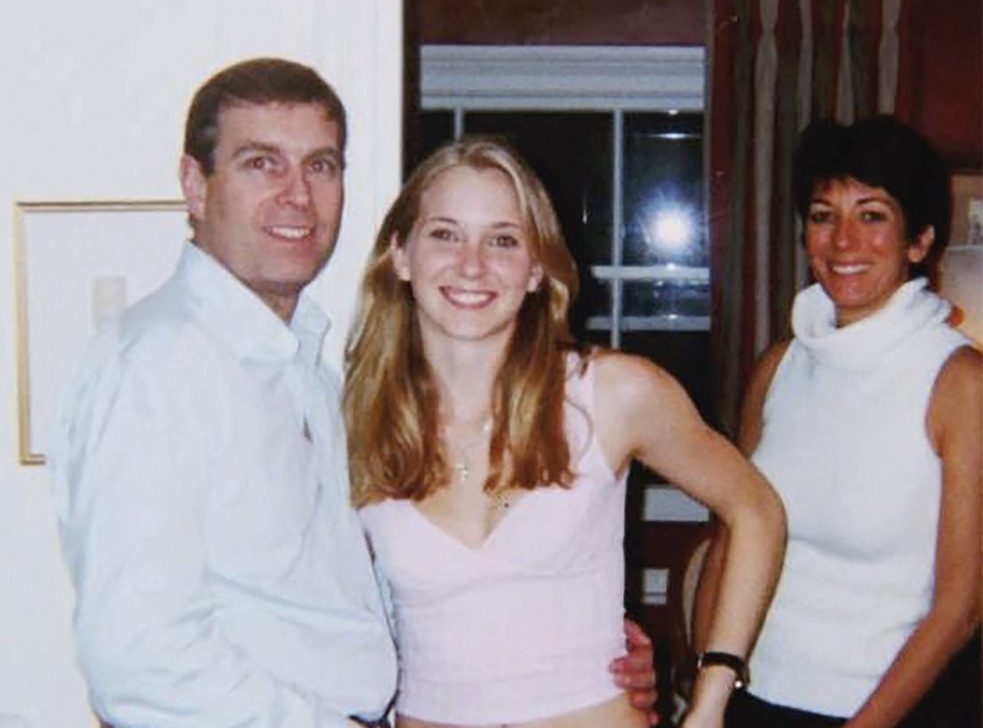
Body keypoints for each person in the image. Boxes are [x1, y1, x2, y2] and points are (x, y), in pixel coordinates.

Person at [49, 58, 657, 728]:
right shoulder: (155, 367)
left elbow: (343, 600)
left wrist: (564, 642)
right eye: (261, 164)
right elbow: (138, 659)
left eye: (320, 166)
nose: (296, 195)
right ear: (196, 185)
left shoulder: (314, 374)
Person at [344, 136, 787, 728]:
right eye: (445, 234)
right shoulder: (354, 420)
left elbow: (757, 510)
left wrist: (710, 700)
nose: (472, 264)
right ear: (400, 255)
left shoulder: (612, 394)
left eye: (503, 240)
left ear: (535, 270)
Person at [694, 115, 982, 727]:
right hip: (751, 700)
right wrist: (708, 693)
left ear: (919, 241)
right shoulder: (779, 366)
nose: (843, 241)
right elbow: (728, 543)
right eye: (823, 216)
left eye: (872, 216)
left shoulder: (960, 383)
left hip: (886, 712)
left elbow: (961, 608)